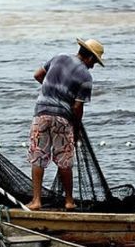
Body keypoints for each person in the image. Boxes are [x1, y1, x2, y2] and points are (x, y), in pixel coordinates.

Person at [27, 38, 105, 211]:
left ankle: (36, 201)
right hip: (62, 118)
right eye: (95, 62)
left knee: (38, 156)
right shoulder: (86, 76)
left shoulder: (59, 57)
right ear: (90, 58)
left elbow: (38, 75)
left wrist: (52, 89)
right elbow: (77, 107)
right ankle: (69, 201)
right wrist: (76, 129)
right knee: (64, 160)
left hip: (41, 113)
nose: (93, 66)